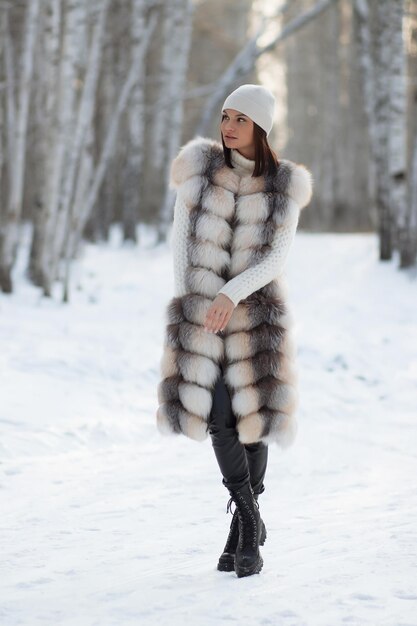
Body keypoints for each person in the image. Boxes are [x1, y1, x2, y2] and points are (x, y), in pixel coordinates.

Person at [157, 84, 313, 578]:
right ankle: (250, 519)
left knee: (252, 422)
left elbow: (276, 257)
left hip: (254, 317)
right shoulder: (200, 169)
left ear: (260, 127)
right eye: (225, 115)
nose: (227, 126)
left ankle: (243, 533)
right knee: (218, 420)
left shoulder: (282, 184)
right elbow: (180, 243)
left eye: (239, 119)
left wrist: (232, 294)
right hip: (203, 317)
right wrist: (194, 306)